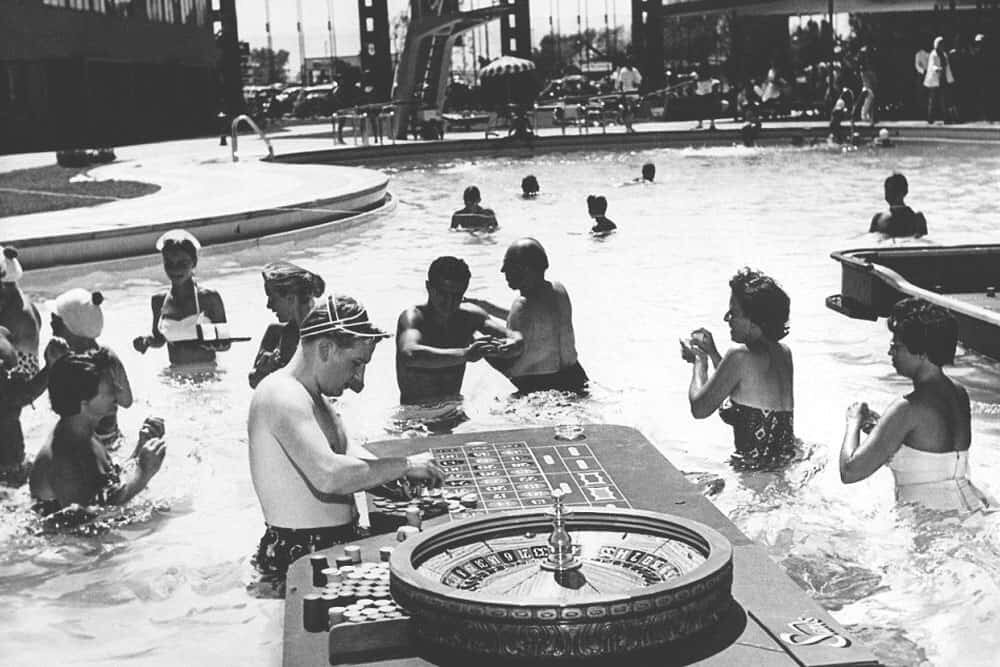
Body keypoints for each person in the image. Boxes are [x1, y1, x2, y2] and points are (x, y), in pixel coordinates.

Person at [248, 294, 445, 585]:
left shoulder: (313, 397)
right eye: (355, 363)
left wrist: (408, 479)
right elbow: (330, 475)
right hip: (299, 556)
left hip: (334, 545)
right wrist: (404, 464)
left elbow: (355, 459)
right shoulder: (282, 395)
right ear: (326, 349)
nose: (358, 382)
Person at [840, 298, 994, 512]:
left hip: (932, 521)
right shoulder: (958, 393)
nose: (890, 353)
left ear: (922, 352)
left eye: (897, 347)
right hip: (971, 507)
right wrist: (880, 427)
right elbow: (930, 455)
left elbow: (850, 471)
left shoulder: (906, 408)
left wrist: (853, 422)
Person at [680, 268, 795, 468]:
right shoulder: (784, 354)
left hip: (751, 477)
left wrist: (700, 362)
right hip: (782, 469)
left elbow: (699, 409)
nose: (727, 318)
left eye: (734, 312)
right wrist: (714, 353)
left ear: (753, 320)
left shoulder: (739, 355)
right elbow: (741, 393)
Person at [29, 350, 166, 515]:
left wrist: (140, 450)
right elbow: (88, 525)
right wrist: (141, 475)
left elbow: (109, 484)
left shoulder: (82, 432)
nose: (118, 390)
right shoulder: (64, 459)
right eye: (109, 388)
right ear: (84, 402)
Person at [468, 239, 588, 395]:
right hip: (576, 377)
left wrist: (471, 333)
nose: (502, 270)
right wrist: (488, 308)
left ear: (523, 269)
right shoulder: (559, 290)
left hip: (538, 387)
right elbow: (536, 322)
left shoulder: (521, 305)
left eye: (508, 265)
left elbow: (508, 361)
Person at [396, 256, 520, 407]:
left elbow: (514, 336)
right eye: (443, 294)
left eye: (456, 296)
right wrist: (467, 354)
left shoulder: (470, 316)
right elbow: (409, 354)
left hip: (454, 409)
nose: (449, 302)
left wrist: (512, 345)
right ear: (429, 287)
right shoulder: (413, 317)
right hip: (414, 415)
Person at [132, 230, 230, 366]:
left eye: (182, 263)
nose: (175, 269)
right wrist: (147, 341)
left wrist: (216, 344)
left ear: (194, 262)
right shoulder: (158, 301)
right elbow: (159, 339)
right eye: (169, 263)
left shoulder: (209, 298)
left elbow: (226, 343)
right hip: (174, 377)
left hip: (208, 376)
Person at [51, 288, 133, 448]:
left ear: (72, 327)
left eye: (56, 320)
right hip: (111, 438)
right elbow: (127, 401)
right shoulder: (108, 357)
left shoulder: (67, 362)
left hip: (85, 443)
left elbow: (60, 407)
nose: (51, 323)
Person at [0, 246, 44, 480]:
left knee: (8, 411)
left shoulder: (13, 315)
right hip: (25, 362)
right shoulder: (19, 298)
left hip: (20, 367)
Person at [249, 261, 326, 388]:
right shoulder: (276, 333)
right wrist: (265, 370)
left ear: (291, 299)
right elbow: (253, 381)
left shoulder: (326, 333)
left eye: (272, 298)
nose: (268, 305)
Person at [869, 173, 927, 238]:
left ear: (903, 192)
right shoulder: (917, 218)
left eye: (892, 191)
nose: (888, 195)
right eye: (887, 191)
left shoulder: (878, 219)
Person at [924, 36, 954, 124]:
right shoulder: (933, 54)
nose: (942, 46)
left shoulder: (944, 54)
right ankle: (930, 118)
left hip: (943, 79)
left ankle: (946, 118)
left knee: (944, 100)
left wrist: (949, 77)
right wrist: (938, 69)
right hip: (935, 80)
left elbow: (947, 66)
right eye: (940, 44)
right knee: (932, 100)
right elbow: (932, 65)